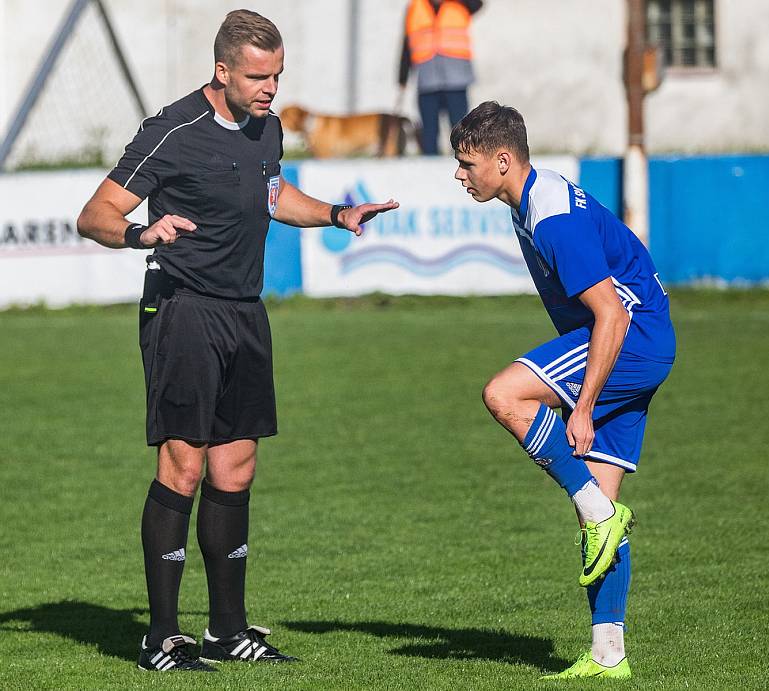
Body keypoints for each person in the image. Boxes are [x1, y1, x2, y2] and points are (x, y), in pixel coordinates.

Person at [77, 9, 398, 673]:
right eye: (257, 76)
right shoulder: (172, 129)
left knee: (236, 467)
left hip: (245, 312)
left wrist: (337, 214)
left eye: (277, 75)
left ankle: (226, 630)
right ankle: (161, 636)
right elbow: (96, 214)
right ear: (221, 70)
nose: (270, 88)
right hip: (182, 309)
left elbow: (274, 193)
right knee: (185, 466)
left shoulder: (267, 127)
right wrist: (143, 232)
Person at [450, 102, 675, 680]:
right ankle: (608, 655)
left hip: (628, 337)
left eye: (466, 163)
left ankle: (599, 511)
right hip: (642, 340)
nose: (460, 174)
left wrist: (583, 404)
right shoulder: (532, 201)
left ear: (503, 160)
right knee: (600, 514)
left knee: (504, 394)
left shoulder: (551, 216)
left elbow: (610, 314)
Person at [398, 0, 483, 155]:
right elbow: (407, 43)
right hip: (427, 80)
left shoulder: (461, 4)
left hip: (456, 79)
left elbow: (478, 4)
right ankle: (430, 173)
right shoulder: (415, 7)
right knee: (429, 134)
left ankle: (464, 171)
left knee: (461, 132)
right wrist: (402, 77)